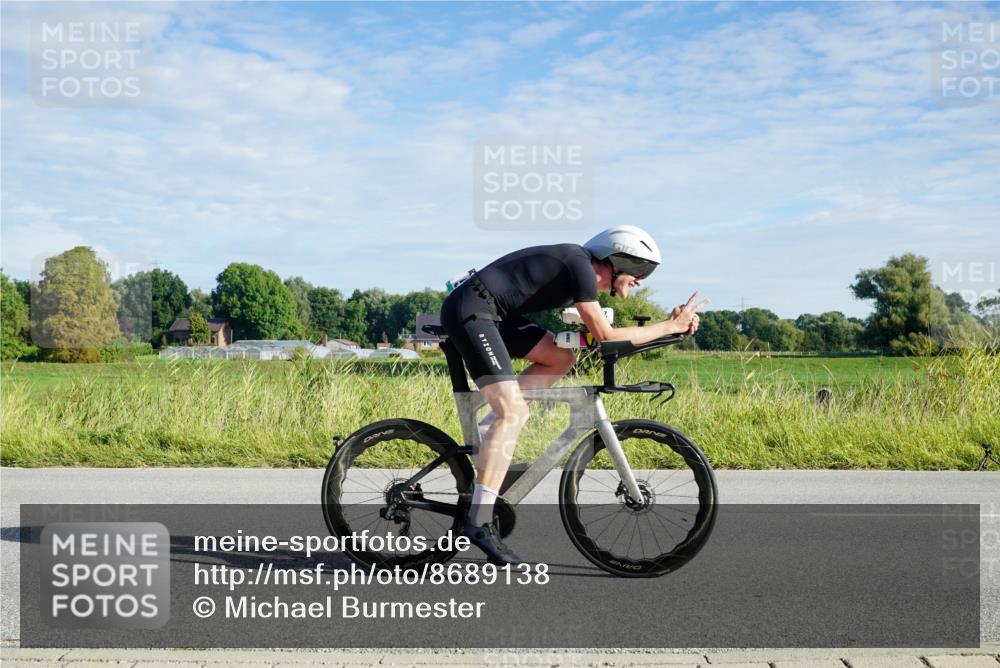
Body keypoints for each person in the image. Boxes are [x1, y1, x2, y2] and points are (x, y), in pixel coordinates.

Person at [439, 225, 707, 564]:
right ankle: (478, 522)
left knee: (560, 357)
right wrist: (668, 327)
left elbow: (603, 340)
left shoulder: (579, 269)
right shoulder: (581, 266)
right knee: (514, 414)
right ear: (616, 259)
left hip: (496, 315)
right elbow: (607, 335)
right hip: (471, 311)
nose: (641, 280)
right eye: (640, 270)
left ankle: (490, 428)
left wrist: (669, 330)